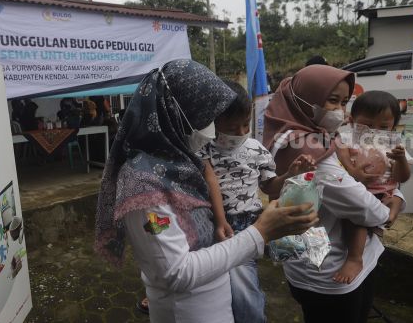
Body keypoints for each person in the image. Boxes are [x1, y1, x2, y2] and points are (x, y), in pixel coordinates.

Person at [95, 59, 319, 323]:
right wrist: (260, 233)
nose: (211, 131)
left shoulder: (180, 162)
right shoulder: (143, 186)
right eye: (206, 119)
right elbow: (175, 272)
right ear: (175, 115)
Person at [263, 64, 403, 323]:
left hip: (310, 261)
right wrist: (391, 209)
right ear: (306, 99)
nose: (340, 110)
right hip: (331, 272)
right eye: (333, 100)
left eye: (344, 102)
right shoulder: (311, 151)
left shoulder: (294, 135)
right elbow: (365, 208)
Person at [197, 80, 316, 323]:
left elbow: (269, 185)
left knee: (243, 291)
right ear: (212, 122)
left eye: (245, 124)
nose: (241, 132)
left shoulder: (256, 150)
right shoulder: (203, 150)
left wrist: (289, 176)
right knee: (217, 289)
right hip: (211, 225)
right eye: (232, 127)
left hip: (246, 226)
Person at [332, 91, 413, 284]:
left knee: (392, 199)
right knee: (358, 218)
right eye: (367, 125)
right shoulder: (348, 138)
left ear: (393, 126)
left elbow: (402, 177)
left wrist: (401, 160)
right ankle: (355, 257)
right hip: (362, 192)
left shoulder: (395, 145)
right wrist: (352, 168)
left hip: (384, 192)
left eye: (383, 126)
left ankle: (358, 254)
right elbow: (339, 152)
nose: (374, 131)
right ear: (352, 121)